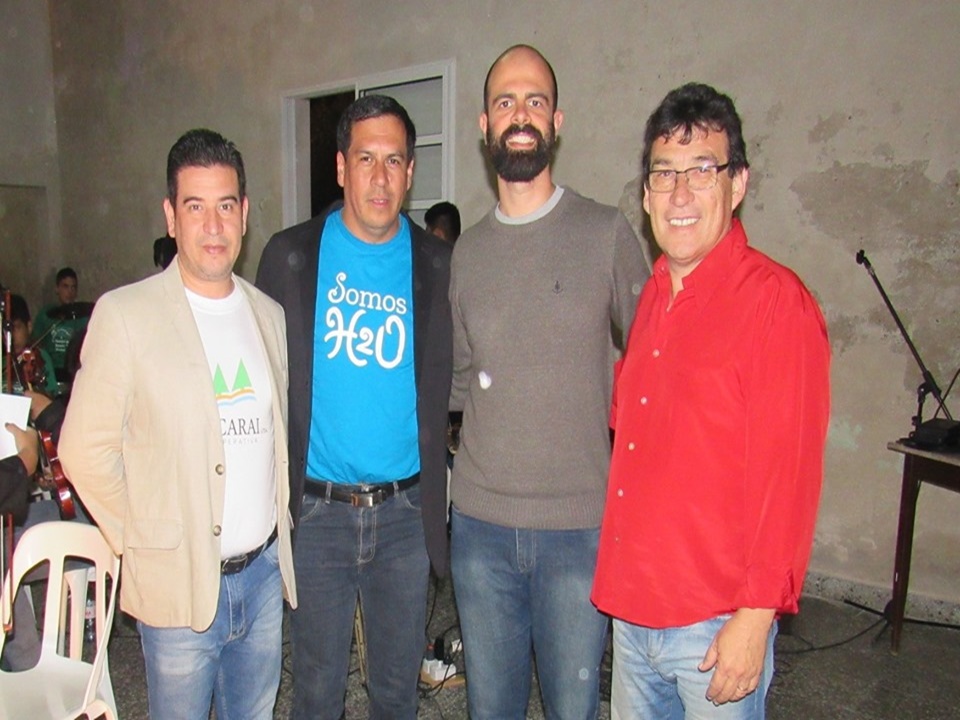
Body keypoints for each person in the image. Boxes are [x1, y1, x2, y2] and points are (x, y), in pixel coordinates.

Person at [591, 83, 831, 719]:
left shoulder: (775, 304)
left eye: (702, 170)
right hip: (633, 614)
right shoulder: (652, 298)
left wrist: (755, 619)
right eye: (664, 173)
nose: (680, 194)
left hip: (713, 626)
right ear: (646, 195)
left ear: (738, 183)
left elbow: (789, 478)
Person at [59, 128, 297, 719]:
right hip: (179, 590)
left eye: (226, 206)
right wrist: (143, 542)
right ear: (171, 216)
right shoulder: (126, 315)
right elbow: (83, 449)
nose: (213, 225)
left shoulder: (267, 315)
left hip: (263, 576)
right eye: (195, 207)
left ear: (244, 214)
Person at [448, 44, 649, 719]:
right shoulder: (468, 252)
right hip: (479, 532)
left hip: (579, 533)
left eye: (535, 101)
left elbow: (658, 361)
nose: (520, 114)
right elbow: (458, 382)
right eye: (505, 101)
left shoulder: (605, 233)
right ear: (485, 125)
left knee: (573, 710)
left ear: (556, 122)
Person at [256, 94, 452, 720]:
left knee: (396, 693)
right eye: (366, 159)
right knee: (316, 695)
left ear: (411, 172)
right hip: (318, 515)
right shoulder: (289, 258)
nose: (380, 177)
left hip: (404, 516)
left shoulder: (437, 265)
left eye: (394, 161)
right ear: (341, 166)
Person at [31, 267, 89, 383]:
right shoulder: (46, 314)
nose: (70, 292)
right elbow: (35, 342)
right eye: (65, 286)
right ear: (57, 289)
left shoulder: (83, 317)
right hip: (50, 370)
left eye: (73, 287)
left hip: (74, 370)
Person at [8, 294, 59, 397]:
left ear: (29, 327)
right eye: (7, 330)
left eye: (17, 327)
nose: (11, 336)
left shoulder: (40, 357)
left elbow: (50, 397)